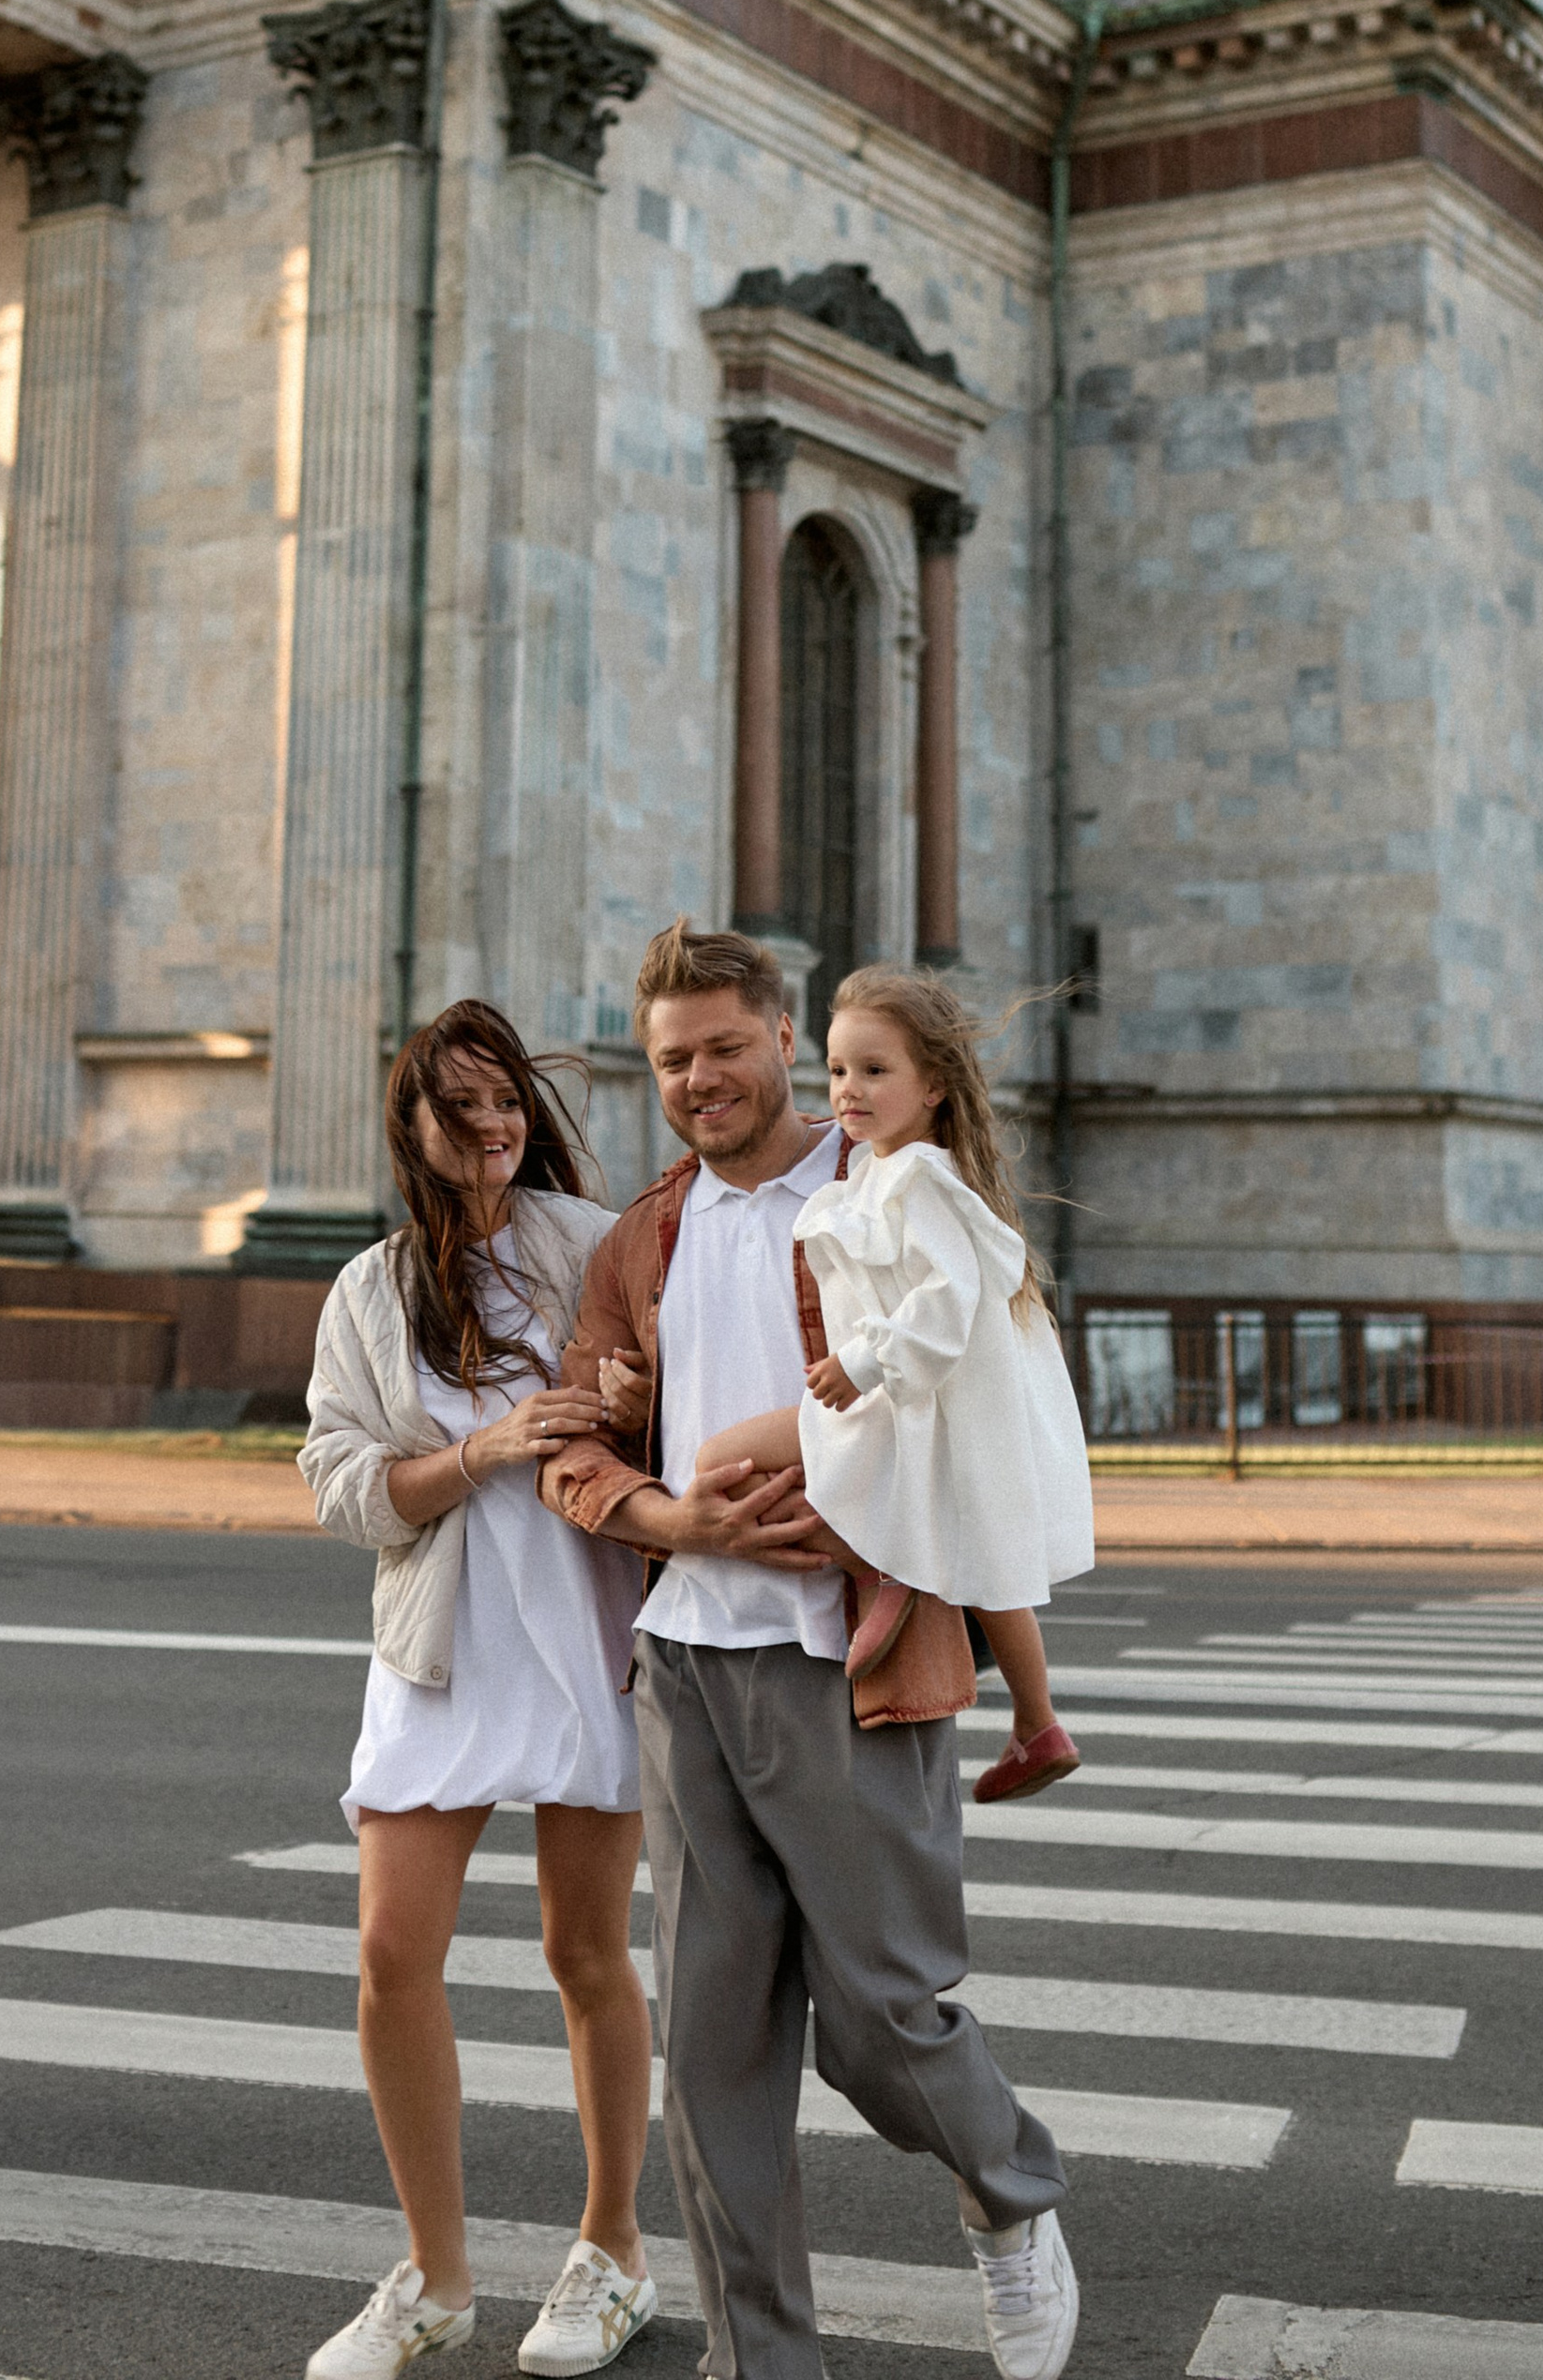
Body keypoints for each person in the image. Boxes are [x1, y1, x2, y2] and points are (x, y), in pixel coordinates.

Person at [542, 925, 1079, 2380]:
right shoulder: (640, 1236)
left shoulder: (888, 1186)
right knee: (713, 2054)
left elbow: (985, 1391)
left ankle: (1013, 2197)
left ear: (783, 1038)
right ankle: (761, 2361)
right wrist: (679, 1519)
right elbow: (576, 1451)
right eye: (671, 1060)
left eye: (724, 1047)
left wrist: (845, 1497)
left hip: (856, 1652)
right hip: (686, 1661)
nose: (700, 1080)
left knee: (882, 2019)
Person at [300, 1002, 658, 2380]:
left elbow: (674, 1393)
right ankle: (435, 2278)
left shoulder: (596, 1241)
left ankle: (612, 2250)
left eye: (507, 1099)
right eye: (461, 1106)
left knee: (584, 1953)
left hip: (583, 1628)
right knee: (395, 1955)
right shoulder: (374, 1289)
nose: (494, 1124)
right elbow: (340, 1484)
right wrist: (487, 1450)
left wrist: (628, 1403)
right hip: (442, 1640)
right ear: (415, 1127)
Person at [681, 964, 1094, 1806]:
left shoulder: (917, 1179)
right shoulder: (875, 1173)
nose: (848, 1090)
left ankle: (886, 1570)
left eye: (875, 1071)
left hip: (902, 1403)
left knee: (723, 1455)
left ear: (934, 1084)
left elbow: (947, 1299)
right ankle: (1034, 1718)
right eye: (837, 1071)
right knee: (992, 1559)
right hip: (911, 1406)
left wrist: (861, 1362)